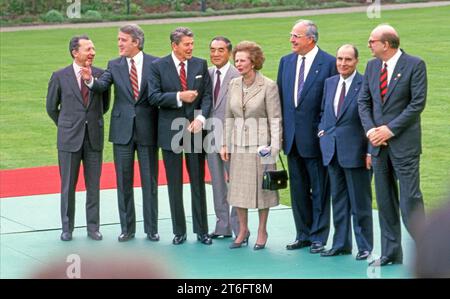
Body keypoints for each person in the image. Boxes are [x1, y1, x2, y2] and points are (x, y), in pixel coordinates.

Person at [81, 24, 159, 242]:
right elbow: (101, 85)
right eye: (119, 40)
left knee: (149, 182)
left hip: (147, 131)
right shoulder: (114, 65)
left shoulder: (155, 63)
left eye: (123, 40)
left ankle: (151, 230)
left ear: (136, 42)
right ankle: (128, 229)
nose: (119, 44)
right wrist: (89, 79)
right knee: (123, 183)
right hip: (122, 132)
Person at [358, 24, 427, 266]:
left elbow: (417, 103)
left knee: (410, 201)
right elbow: (363, 101)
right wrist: (371, 131)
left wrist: (390, 129)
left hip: (404, 146)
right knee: (385, 201)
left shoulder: (415, 65)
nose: (369, 45)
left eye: (372, 41)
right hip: (378, 146)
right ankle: (391, 253)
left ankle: (428, 254)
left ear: (386, 44)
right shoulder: (371, 66)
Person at [148, 27, 213, 245]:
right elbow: (154, 97)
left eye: (192, 44)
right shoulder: (157, 66)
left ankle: (202, 231)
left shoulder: (200, 64)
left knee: (197, 181)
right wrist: (179, 96)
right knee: (174, 184)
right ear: (174, 46)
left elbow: (206, 97)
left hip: (195, 131)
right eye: (186, 44)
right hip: (170, 133)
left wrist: (201, 119)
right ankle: (179, 231)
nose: (191, 48)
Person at [277, 19, 337, 253]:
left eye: (296, 36)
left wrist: (325, 133)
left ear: (311, 39)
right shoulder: (286, 62)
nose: (291, 39)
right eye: (292, 35)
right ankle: (302, 233)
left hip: (316, 140)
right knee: (298, 190)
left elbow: (331, 103)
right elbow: (282, 101)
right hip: (292, 140)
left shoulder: (329, 63)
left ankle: (318, 237)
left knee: (320, 190)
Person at [46, 35, 110, 241]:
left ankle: (93, 228)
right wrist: (67, 125)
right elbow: (51, 107)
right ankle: (67, 228)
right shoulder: (59, 76)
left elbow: (105, 105)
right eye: (88, 49)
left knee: (93, 186)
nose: (92, 53)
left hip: (94, 138)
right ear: (75, 52)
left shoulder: (101, 75)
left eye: (93, 49)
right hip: (68, 139)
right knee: (67, 185)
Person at [221, 41, 282, 250]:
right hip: (238, 145)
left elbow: (275, 118)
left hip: (262, 146)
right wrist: (224, 144)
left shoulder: (269, 85)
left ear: (253, 62)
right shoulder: (233, 84)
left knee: (262, 189)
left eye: (242, 60)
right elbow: (228, 116)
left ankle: (262, 230)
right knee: (238, 190)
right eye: (236, 60)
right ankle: (242, 230)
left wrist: (274, 147)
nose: (238, 64)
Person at [318, 44, 373, 260]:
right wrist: (322, 131)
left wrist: (370, 151)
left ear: (356, 61)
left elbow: (372, 120)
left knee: (360, 202)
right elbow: (324, 112)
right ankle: (340, 243)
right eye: (340, 59)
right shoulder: (330, 83)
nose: (342, 63)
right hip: (332, 151)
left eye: (348, 59)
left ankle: (365, 246)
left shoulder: (364, 84)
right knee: (338, 200)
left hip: (357, 153)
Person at [205, 36, 240, 239]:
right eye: (212, 50)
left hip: (234, 139)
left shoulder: (238, 75)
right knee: (217, 183)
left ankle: (239, 228)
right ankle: (222, 226)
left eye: (220, 50)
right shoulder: (206, 74)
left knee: (236, 184)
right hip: (210, 137)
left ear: (229, 52)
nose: (215, 54)